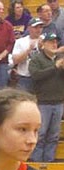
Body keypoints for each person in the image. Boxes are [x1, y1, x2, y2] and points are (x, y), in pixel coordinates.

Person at [29, 31, 64, 162]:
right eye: (51, 42)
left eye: (56, 42)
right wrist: (55, 68)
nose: (54, 44)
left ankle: (49, 162)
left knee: (54, 136)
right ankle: (37, 162)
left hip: (59, 101)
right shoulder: (36, 59)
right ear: (43, 44)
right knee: (41, 134)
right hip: (43, 102)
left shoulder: (61, 58)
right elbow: (36, 75)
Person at [11, 17, 45, 93]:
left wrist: (42, 48)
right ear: (29, 28)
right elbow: (15, 60)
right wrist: (28, 50)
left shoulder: (46, 40)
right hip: (24, 77)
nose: (38, 29)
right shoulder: (20, 41)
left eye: (40, 27)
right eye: (35, 27)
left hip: (42, 77)